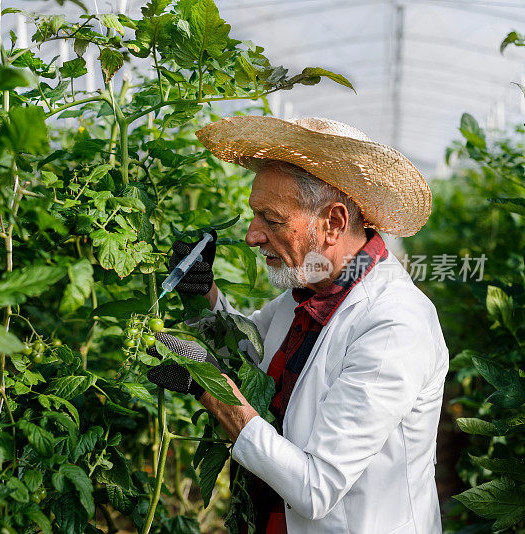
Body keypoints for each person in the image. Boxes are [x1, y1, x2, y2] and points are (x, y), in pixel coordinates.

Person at [146, 116, 449, 533]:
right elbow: (247, 352)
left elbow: (317, 488)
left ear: (333, 223)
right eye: (255, 216)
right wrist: (203, 292)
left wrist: (209, 390)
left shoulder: (393, 325)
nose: (253, 236)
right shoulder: (309, 291)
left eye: (271, 219)